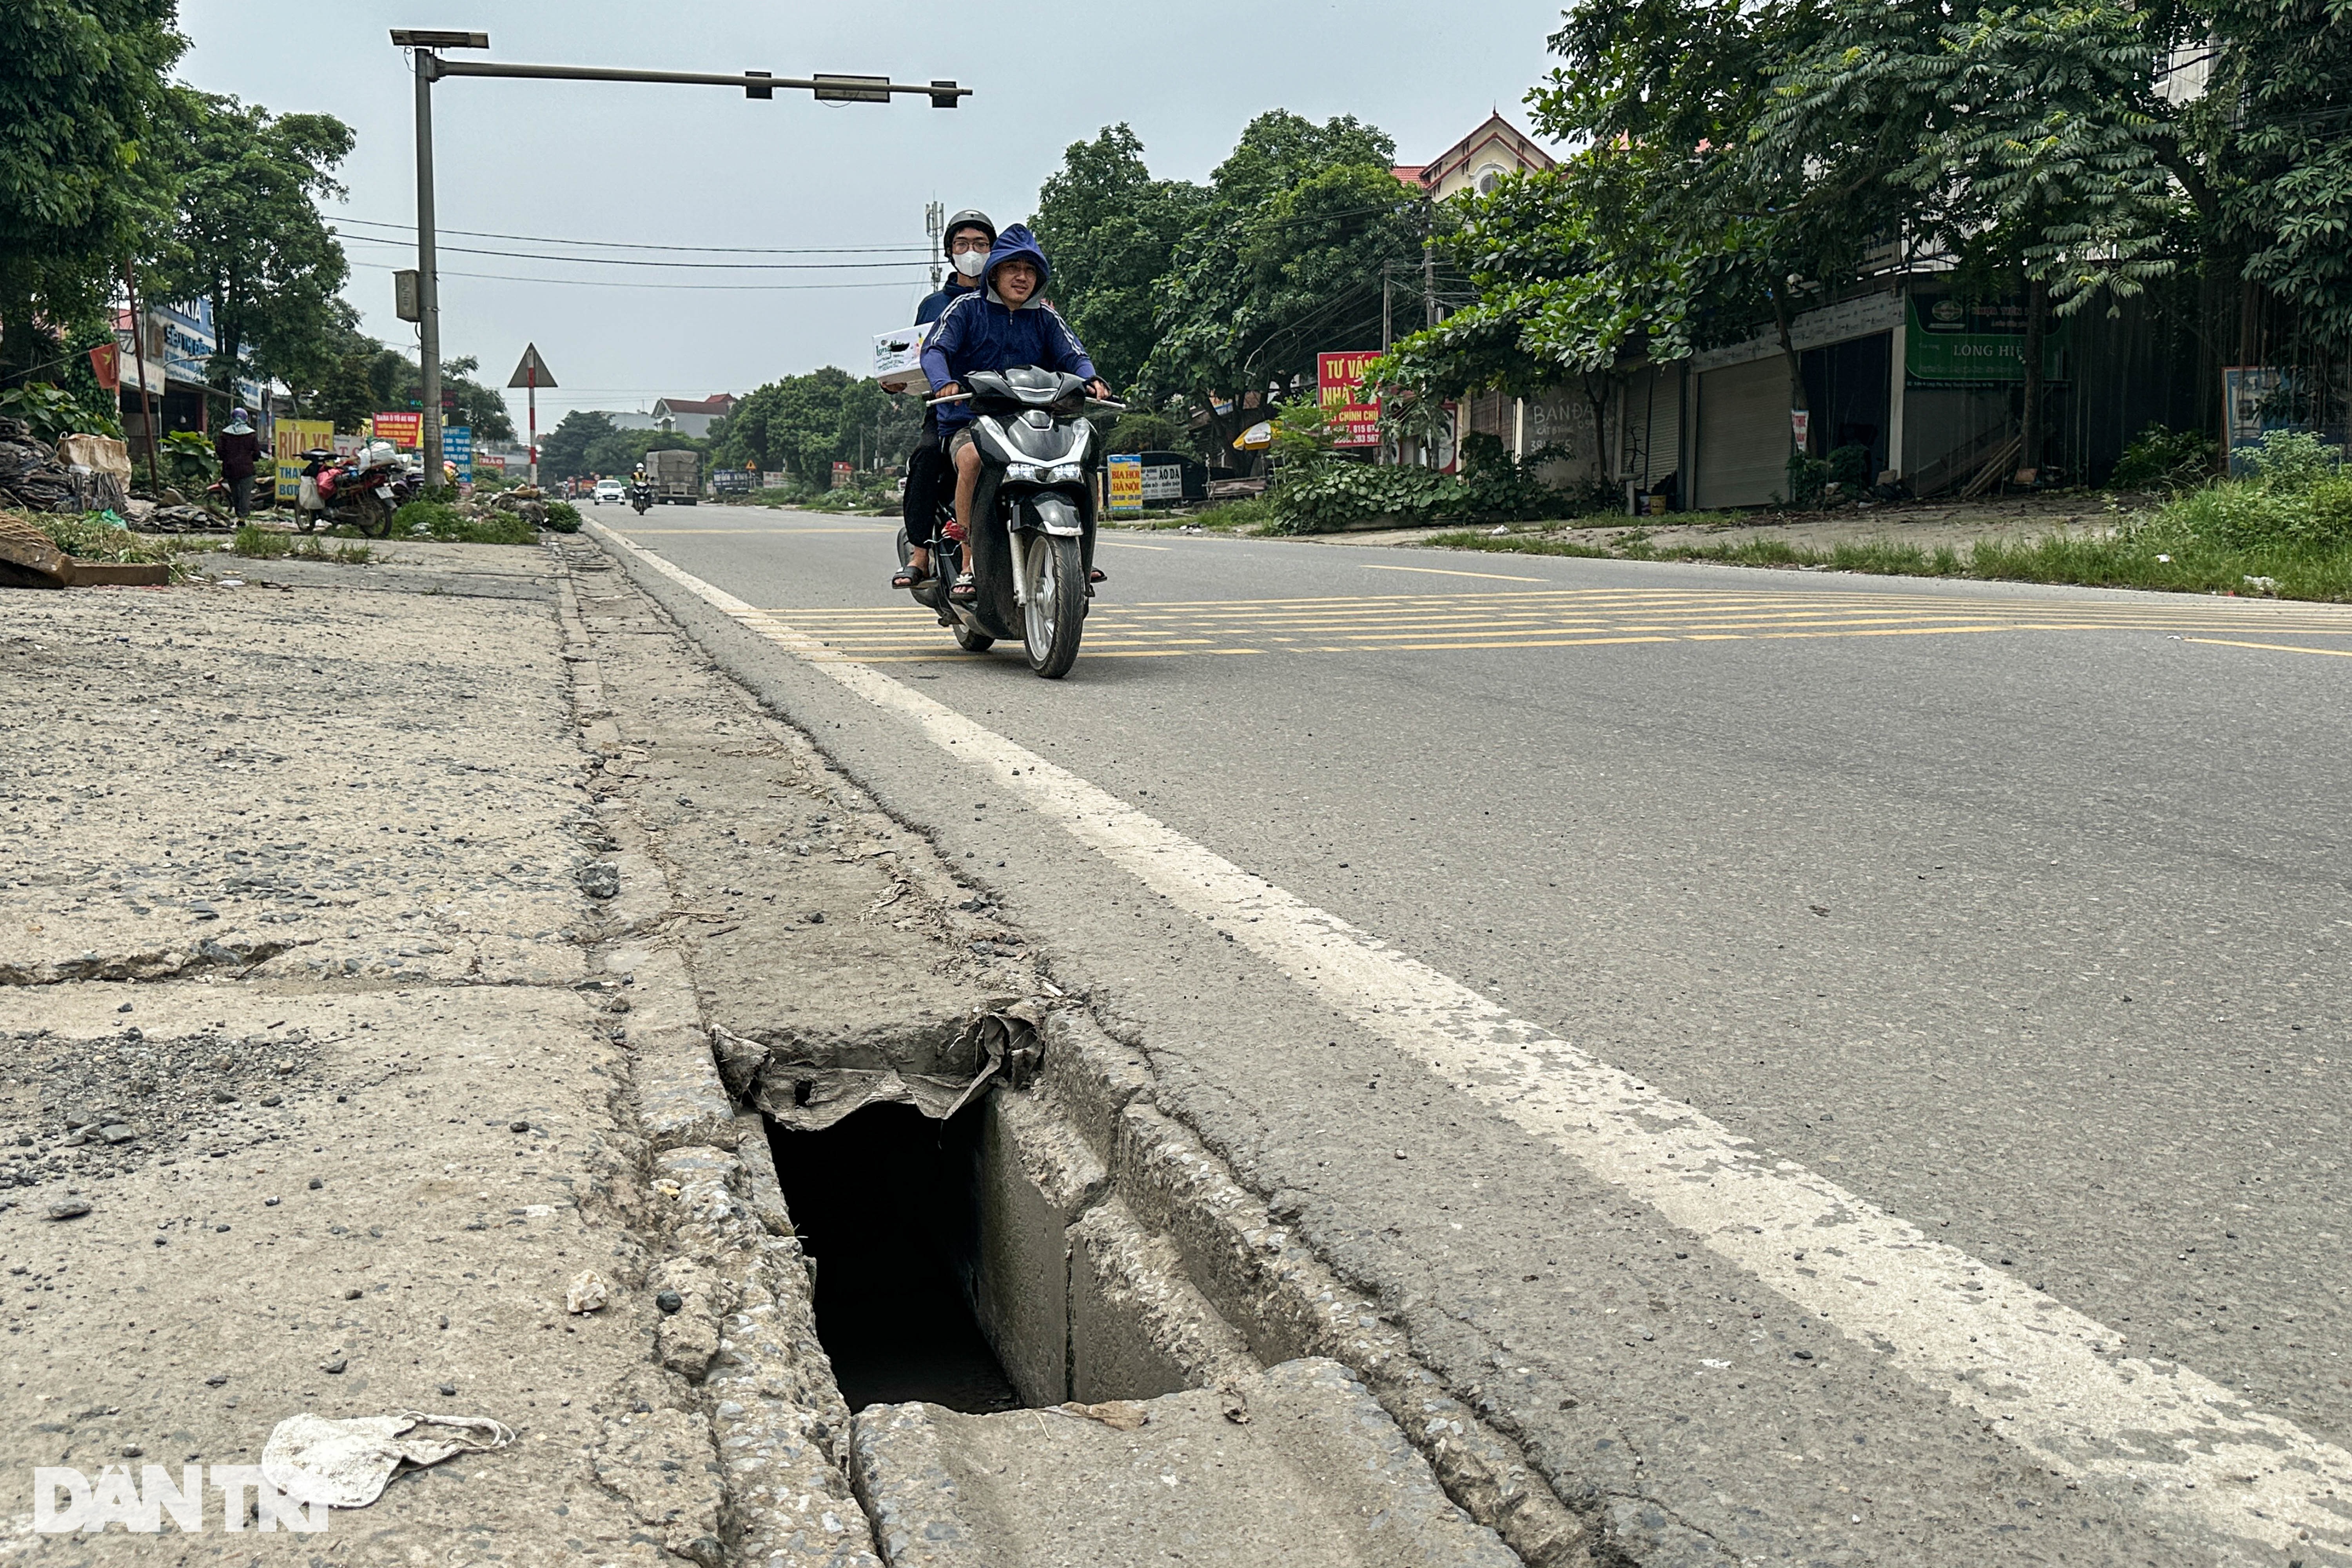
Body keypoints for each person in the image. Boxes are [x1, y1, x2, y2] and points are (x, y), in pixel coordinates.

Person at [918, 225, 1109, 604]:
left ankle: (1082, 557)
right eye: (1013, 268)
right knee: (972, 459)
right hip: (973, 422)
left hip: (1035, 421)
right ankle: (969, 563)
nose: (1022, 277)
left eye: (1031, 270)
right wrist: (944, 383)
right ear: (995, 272)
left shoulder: (1046, 318)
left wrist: (1091, 380)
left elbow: (1075, 356)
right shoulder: (966, 309)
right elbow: (935, 350)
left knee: (1084, 452)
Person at [892, 209, 996, 591]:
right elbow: (912, 361)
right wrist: (896, 382)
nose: (972, 251)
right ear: (950, 251)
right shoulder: (934, 306)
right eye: (963, 244)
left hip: (1003, 408)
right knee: (924, 458)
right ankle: (920, 552)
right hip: (948, 411)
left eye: (981, 244)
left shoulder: (1010, 300)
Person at [215, 408, 261, 518]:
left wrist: (226, 459)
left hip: (231, 469)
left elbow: (220, 450)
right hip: (247, 469)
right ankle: (243, 518)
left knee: (236, 494)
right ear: (245, 418)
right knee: (246, 495)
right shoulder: (251, 434)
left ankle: (239, 515)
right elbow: (257, 452)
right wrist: (253, 459)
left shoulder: (225, 434)